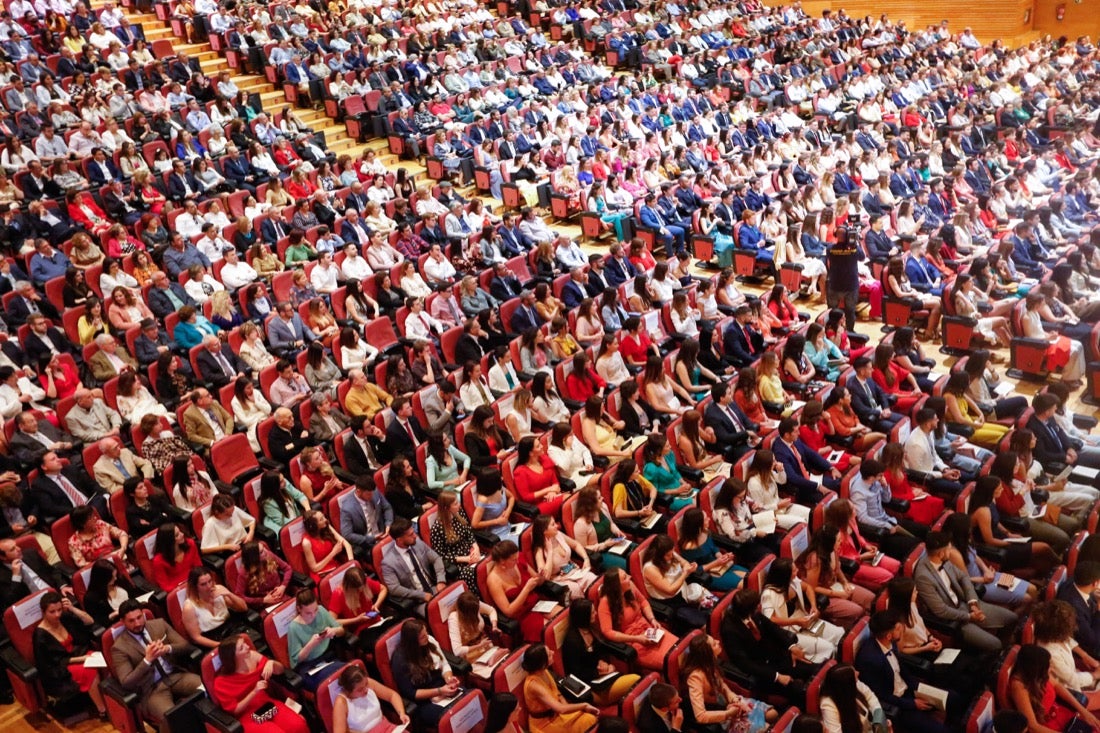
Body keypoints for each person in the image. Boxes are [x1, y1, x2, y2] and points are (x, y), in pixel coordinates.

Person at [913, 530, 1018, 654]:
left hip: (966, 604)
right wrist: (969, 617)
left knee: (1012, 618)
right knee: (995, 644)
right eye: (949, 549)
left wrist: (972, 603)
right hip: (954, 619)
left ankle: (1000, 650)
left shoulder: (942, 560)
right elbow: (940, 610)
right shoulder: (923, 576)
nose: (951, 551)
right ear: (941, 553)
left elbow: (963, 577)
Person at [110, 599, 203, 733]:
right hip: (152, 690)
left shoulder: (159, 624)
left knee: (206, 688)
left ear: (143, 614)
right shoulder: (119, 648)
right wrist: (147, 660)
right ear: (123, 622)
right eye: (131, 621)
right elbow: (126, 681)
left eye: (139, 617)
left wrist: (167, 648)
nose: (137, 623)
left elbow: (185, 645)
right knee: (171, 718)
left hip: (176, 676)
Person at [719, 588, 817, 708]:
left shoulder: (754, 614)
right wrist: (776, 676)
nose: (760, 606)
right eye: (757, 605)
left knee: (814, 670)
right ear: (748, 609)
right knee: (799, 690)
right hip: (762, 673)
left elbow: (773, 628)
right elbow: (745, 664)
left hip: (777, 657)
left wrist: (792, 647)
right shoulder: (729, 630)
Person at [211, 635, 310, 733]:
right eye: (242, 648)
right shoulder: (221, 682)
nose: (247, 646)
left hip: (265, 702)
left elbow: (279, 671)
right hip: (246, 715)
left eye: (245, 643)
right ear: (233, 657)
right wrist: (254, 691)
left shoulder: (252, 656)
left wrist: (271, 663)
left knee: (298, 725)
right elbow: (235, 710)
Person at [33, 590, 108, 717]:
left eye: (59, 610)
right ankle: (103, 709)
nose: (57, 614)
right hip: (62, 667)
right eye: (52, 612)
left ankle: (110, 700)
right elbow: (51, 663)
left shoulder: (64, 618)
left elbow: (89, 621)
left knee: (105, 661)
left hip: (79, 653)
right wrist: (81, 659)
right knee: (89, 671)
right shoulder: (40, 636)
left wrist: (72, 608)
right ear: (43, 612)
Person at [681, 633, 774, 732]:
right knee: (765, 728)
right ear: (707, 653)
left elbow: (722, 685)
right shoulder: (695, 677)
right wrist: (729, 713)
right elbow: (700, 716)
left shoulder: (710, 662)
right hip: (718, 714)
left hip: (727, 703)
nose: (718, 641)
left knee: (773, 714)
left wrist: (734, 699)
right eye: (714, 644)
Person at [760, 557, 843, 662]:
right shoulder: (768, 594)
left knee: (839, 634)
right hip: (788, 633)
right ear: (784, 575)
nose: (797, 571)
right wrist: (795, 621)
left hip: (804, 619)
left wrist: (813, 606)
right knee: (828, 648)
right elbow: (769, 620)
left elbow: (808, 588)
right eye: (794, 571)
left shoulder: (792, 581)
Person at [1009, 644, 1100, 731]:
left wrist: (1084, 711)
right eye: (1048, 666)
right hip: (1047, 727)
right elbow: (1033, 727)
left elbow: (1057, 686)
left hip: (1061, 713)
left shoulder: (1039, 675)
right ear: (1035, 670)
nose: (1051, 668)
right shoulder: (1018, 686)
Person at [391, 618, 462, 729]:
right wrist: (439, 691)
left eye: (426, 633)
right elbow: (411, 693)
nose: (427, 637)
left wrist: (449, 678)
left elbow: (445, 664)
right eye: (423, 637)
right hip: (424, 700)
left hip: (442, 686)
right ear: (413, 642)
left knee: (468, 703)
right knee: (454, 717)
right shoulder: (400, 660)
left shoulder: (429, 641)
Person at [1032, 600, 1100, 710]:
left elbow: (1068, 640)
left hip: (1073, 678)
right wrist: (1095, 675)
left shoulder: (1051, 634)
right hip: (1067, 694)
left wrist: (1085, 656)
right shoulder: (1051, 654)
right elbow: (1073, 680)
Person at [520, 643, 600, 733]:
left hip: (557, 715)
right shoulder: (534, 685)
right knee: (589, 720)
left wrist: (567, 706)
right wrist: (584, 705)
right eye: (549, 654)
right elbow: (560, 709)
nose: (553, 652)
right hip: (544, 724)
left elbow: (557, 693)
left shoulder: (544, 671)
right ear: (542, 664)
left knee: (589, 719)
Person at [380, 517, 445, 616]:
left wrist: (440, 580)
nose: (415, 536)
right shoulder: (388, 562)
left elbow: (436, 558)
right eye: (411, 534)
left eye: (413, 532)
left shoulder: (417, 543)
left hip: (434, 588)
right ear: (399, 540)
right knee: (439, 615)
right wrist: (421, 595)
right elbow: (394, 588)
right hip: (417, 601)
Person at [287, 588, 345, 691]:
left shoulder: (321, 610)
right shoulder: (293, 628)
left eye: (315, 610)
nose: (313, 615)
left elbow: (341, 630)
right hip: (309, 667)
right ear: (299, 609)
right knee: (338, 680)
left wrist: (333, 630)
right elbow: (297, 659)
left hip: (327, 657)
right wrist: (310, 645)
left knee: (348, 675)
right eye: (308, 613)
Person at [531, 514, 597, 600]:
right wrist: (550, 551)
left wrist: (586, 558)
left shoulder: (558, 534)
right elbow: (545, 576)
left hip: (574, 571)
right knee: (578, 594)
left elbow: (576, 545)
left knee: (594, 581)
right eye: (553, 524)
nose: (557, 526)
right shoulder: (539, 550)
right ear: (544, 531)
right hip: (560, 580)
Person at [331, 663, 410, 733]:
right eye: (360, 690)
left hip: (386, 727)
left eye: (366, 684)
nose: (366, 690)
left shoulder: (366, 683)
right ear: (348, 691)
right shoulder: (341, 702)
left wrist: (401, 713)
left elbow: (392, 695)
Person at [818, 664, 886, 733]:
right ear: (847, 686)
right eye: (854, 673)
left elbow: (870, 697)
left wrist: (879, 721)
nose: (858, 673)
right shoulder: (828, 705)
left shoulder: (854, 683)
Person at [151, 523, 202, 592]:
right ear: (169, 541)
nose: (182, 534)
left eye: (180, 531)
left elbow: (199, 567)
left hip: (195, 584)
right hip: (177, 591)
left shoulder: (190, 544)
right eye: (177, 535)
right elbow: (165, 586)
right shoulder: (158, 561)